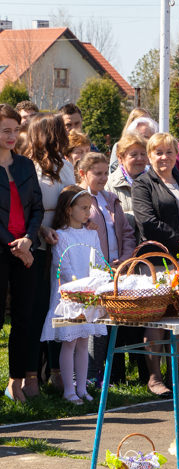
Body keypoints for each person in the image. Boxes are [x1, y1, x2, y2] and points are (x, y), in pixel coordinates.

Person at [132, 132, 179, 396]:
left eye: (169, 152)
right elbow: (147, 221)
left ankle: (176, 377)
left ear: (177, 154)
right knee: (157, 320)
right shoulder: (143, 184)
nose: (164, 157)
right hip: (157, 260)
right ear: (150, 156)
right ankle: (155, 378)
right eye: (158, 152)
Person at [40, 186, 107, 405]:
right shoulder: (62, 236)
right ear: (69, 210)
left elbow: (97, 261)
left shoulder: (91, 234)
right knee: (69, 342)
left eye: (90, 208)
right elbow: (65, 267)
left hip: (88, 298)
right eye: (83, 208)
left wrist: (95, 285)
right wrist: (81, 288)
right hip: (69, 299)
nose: (88, 212)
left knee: (83, 340)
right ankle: (69, 390)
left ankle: (82, 387)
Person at [25, 113, 75, 395]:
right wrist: (43, 231)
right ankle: (33, 373)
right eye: (58, 131)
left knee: (60, 307)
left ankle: (58, 370)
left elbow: (71, 196)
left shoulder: (65, 165)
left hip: (64, 242)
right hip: (40, 241)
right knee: (37, 307)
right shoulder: (30, 166)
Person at [79, 152, 136, 384]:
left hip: (116, 268)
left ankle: (108, 374)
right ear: (83, 173)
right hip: (91, 270)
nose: (103, 178)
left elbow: (126, 232)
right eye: (97, 173)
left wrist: (123, 259)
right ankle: (89, 374)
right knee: (93, 323)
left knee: (109, 323)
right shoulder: (77, 198)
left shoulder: (110, 198)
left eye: (105, 173)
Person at [0, 104, 43, 403]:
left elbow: (37, 208)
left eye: (16, 130)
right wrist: (13, 246)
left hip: (27, 249)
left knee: (24, 318)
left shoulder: (26, 166)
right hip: (3, 250)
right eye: (6, 130)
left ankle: (15, 382)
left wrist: (27, 240)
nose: (13, 136)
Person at [105, 133, 148, 233]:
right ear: (120, 158)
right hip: (122, 243)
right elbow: (107, 219)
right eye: (134, 155)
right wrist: (143, 217)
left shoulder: (155, 181)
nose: (140, 158)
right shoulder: (108, 185)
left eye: (143, 154)